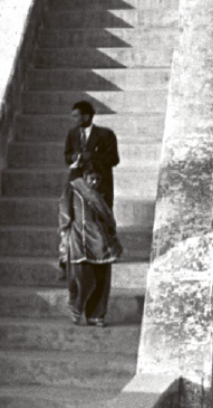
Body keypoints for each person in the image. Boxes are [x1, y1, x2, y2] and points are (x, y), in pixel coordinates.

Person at [58, 100, 120, 280]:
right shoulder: (72, 134)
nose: (74, 119)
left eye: (76, 115)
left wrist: (91, 156)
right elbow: (67, 156)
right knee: (75, 219)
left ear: (86, 116)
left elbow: (113, 159)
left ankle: (105, 254)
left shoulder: (106, 134)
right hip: (77, 182)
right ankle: (71, 258)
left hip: (98, 184)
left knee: (101, 218)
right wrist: (75, 157)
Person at [59, 161, 123, 327]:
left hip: (100, 241)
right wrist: (64, 236)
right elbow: (65, 213)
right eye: (92, 179)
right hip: (79, 239)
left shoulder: (101, 192)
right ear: (85, 177)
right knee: (84, 279)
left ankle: (96, 315)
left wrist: (111, 238)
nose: (95, 182)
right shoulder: (73, 188)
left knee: (102, 278)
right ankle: (76, 305)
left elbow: (107, 218)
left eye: (98, 179)